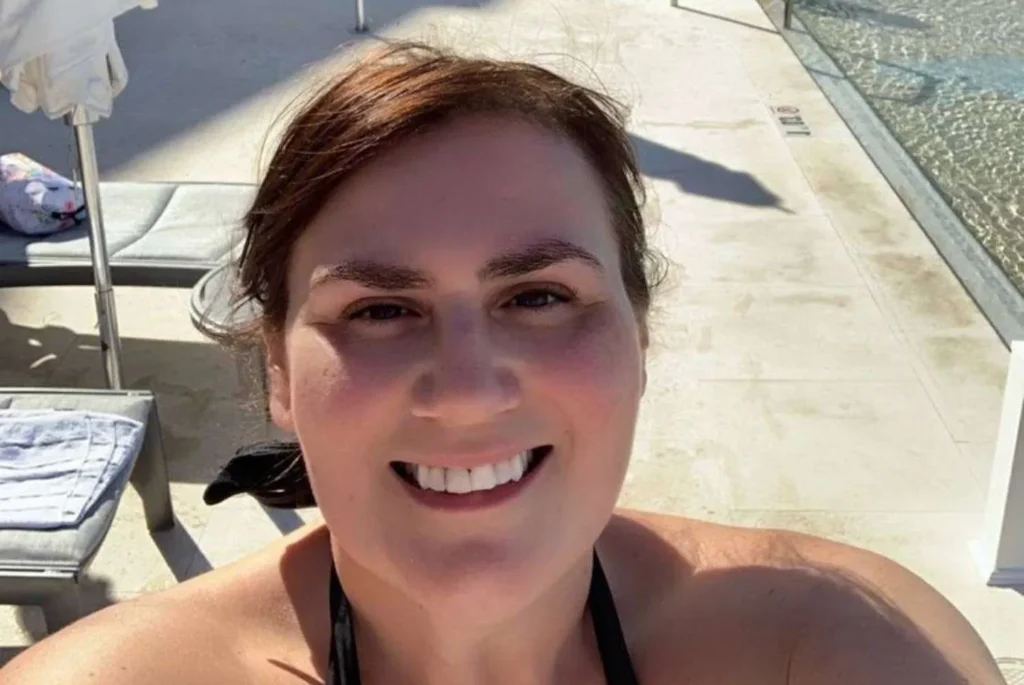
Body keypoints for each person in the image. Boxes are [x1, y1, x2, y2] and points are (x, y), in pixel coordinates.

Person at [0, 42, 1005, 685]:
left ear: (638, 336)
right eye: (382, 308)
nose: (469, 388)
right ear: (277, 371)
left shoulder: (830, 648)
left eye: (538, 296)